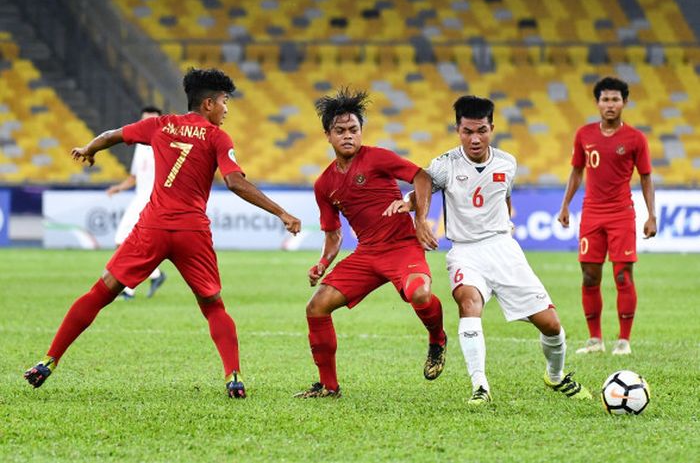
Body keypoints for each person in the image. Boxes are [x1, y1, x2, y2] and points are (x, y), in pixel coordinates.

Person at [24, 68, 301, 398]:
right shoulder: (217, 137)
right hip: (191, 232)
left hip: (152, 227)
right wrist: (281, 212)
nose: (227, 109)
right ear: (209, 103)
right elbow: (234, 181)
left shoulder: (160, 125)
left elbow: (113, 134)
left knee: (100, 292)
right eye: (225, 102)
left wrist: (90, 149)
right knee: (213, 306)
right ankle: (234, 377)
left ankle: (48, 361)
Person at [385, 95, 592, 405]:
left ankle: (556, 375)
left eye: (481, 130)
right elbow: (424, 182)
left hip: (503, 248)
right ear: (458, 130)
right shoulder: (446, 165)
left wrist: (507, 220)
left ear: (492, 128)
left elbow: (504, 193)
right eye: (467, 131)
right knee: (468, 303)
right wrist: (412, 206)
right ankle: (479, 385)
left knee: (551, 324)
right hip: (465, 251)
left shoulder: (507, 163)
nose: (475, 138)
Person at [295, 88, 447, 398]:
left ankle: (437, 339)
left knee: (419, 294)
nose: (348, 136)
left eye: (354, 129)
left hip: (402, 246)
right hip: (367, 254)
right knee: (317, 307)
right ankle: (329, 386)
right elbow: (334, 234)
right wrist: (323, 263)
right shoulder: (324, 184)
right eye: (340, 131)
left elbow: (421, 177)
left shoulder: (377, 157)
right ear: (328, 135)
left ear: (361, 132)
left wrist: (420, 220)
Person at [558, 76, 656, 356]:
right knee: (590, 276)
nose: (610, 104)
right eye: (605, 99)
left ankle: (623, 340)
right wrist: (565, 205)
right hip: (591, 214)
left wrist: (652, 215)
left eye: (615, 99)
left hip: (621, 215)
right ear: (597, 103)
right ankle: (595, 340)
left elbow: (646, 177)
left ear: (624, 102)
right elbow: (577, 171)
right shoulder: (584, 134)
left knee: (623, 275)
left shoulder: (636, 138)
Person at [106, 106, 167, 300]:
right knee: (128, 242)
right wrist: (119, 188)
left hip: (153, 201)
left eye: (151, 120)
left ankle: (128, 288)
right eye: (144, 120)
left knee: (125, 241)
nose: (146, 124)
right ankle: (155, 275)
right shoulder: (140, 146)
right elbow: (134, 177)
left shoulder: (165, 145)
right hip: (139, 198)